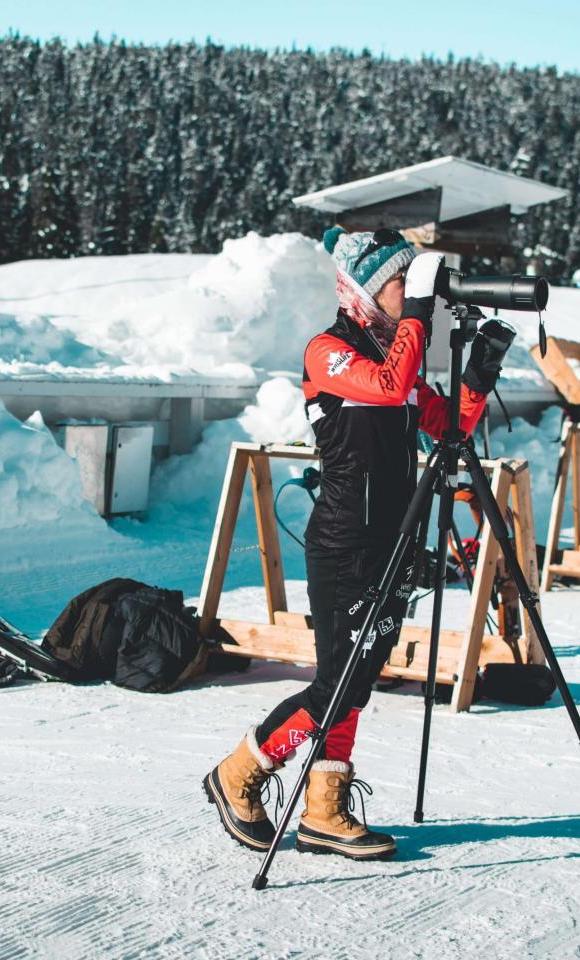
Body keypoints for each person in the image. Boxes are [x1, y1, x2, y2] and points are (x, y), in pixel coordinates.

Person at [204, 226, 514, 861]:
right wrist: (420, 319)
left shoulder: (389, 350)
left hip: (388, 545)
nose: (412, 293)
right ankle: (239, 773)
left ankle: (324, 809)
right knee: (338, 686)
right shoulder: (330, 351)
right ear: (369, 287)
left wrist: (480, 368)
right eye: (403, 283)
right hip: (344, 545)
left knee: (356, 682)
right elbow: (391, 386)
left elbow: (446, 425)